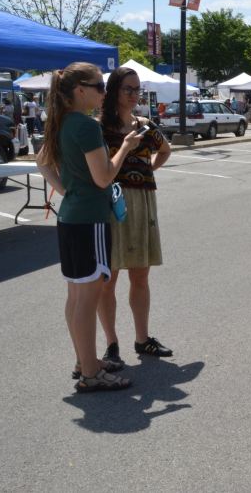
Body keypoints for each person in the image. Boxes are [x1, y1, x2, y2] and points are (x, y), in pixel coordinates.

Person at [36, 62, 141, 392]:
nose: (104, 92)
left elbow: (41, 162)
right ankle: (91, 372)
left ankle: (86, 361)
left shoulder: (61, 122)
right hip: (89, 221)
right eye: (99, 86)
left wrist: (68, 191)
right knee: (87, 298)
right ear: (80, 90)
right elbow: (104, 177)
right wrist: (125, 147)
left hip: (70, 218)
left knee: (76, 295)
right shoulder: (84, 126)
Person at [96, 66, 174, 369]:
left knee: (140, 274)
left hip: (142, 200)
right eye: (127, 89)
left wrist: (147, 169)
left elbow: (164, 150)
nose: (133, 95)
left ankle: (142, 338)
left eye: (136, 89)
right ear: (114, 90)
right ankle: (111, 344)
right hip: (110, 203)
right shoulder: (100, 127)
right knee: (108, 278)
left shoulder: (144, 125)